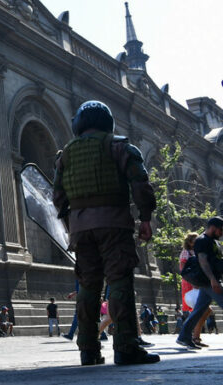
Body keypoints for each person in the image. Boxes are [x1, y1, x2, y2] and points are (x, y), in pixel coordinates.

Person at [53, 100, 159, 366]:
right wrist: (145, 219)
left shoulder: (65, 155)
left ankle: (88, 350)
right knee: (120, 281)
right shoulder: (120, 146)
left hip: (80, 230)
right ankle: (126, 347)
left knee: (88, 286)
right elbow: (141, 185)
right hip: (114, 224)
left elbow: (57, 197)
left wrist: (72, 225)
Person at [177, 217, 223, 349]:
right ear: (213, 227)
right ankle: (184, 336)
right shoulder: (202, 241)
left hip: (210, 281)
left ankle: (184, 337)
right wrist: (213, 280)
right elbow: (203, 261)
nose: (222, 233)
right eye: (221, 230)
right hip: (209, 281)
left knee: (199, 310)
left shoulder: (213, 241)